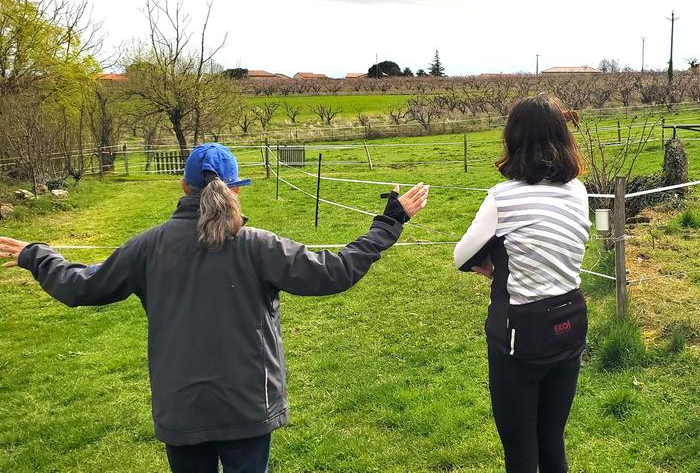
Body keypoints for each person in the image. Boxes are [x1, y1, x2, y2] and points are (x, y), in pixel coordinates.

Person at [0, 143, 428, 473]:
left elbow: (82, 286)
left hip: (181, 410)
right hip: (248, 407)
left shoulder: (149, 246)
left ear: (183, 187)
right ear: (236, 189)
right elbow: (335, 271)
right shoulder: (258, 245)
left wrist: (38, 256)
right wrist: (389, 222)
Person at [454, 94, 590, 473]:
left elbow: (462, 256)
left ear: (513, 139)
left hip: (520, 340)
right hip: (570, 327)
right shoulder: (578, 190)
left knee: (520, 454)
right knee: (552, 443)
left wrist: (495, 265)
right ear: (563, 136)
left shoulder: (502, 198)